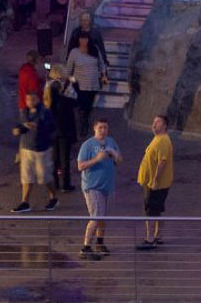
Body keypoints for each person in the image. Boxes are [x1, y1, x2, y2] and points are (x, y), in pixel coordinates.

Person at [76, 117, 122, 260]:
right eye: (100, 127)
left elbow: (119, 161)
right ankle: (85, 247)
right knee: (96, 216)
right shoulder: (88, 145)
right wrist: (96, 159)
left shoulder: (111, 142)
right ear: (94, 128)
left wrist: (115, 155)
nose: (103, 131)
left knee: (103, 217)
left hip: (108, 186)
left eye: (105, 128)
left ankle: (100, 243)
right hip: (92, 186)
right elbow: (80, 166)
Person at [11, 91, 58, 213]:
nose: (30, 102)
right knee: (27, 177)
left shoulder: (45, 112)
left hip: (42, 149)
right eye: (28, 100)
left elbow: (51, 128)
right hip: (27, 149)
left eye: (33, 100)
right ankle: (25, 202)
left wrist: (39, 127)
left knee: (45, 177)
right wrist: (18, 129)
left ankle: (53, 197)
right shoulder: (24, 112)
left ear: (38, 99)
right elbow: (20, 126)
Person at [136, 114, 174, 249]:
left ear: (164, 126)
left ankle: (150, 238)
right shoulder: (158, 138)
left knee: (151, 211)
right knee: (157, 210)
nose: (154, 124)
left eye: (157, 122)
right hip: (154, 183)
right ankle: (158, 236)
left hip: (155, 185)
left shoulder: (162, 140)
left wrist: (155, 180)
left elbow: (162, 162)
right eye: (154, 122)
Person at [66, 32, 108, 138]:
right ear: (78, 40)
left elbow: (101, 64)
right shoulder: (74, 52)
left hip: (93, 84)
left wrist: (103, 75)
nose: (83, 41)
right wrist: (69, 80)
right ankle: (83, 125)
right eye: (81, 39)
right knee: (82, 106)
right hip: (80, 85)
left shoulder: (94, 50)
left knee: (88, 106)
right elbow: (69, 69)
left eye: (85, 39)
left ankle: (85, 120)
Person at [44, 65, 79, 192]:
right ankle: (65, 184)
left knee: (54, 157)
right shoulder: (66, 87)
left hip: (52, 128)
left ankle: (55, 184)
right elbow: (75, 101)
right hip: (64, 127)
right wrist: (74, 84)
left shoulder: (48, 86)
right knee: (65, 157)